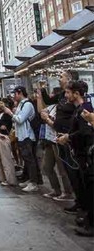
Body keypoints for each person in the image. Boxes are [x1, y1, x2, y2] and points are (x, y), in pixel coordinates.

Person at [56, 81, 94, 236]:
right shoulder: (79, 109)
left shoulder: (85, 109)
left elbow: (85, 132)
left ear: (76, 93)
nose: (66, 96)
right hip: (82, 153)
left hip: (85, 154)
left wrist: (68, 137)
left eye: (68, 92)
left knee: (89, 187)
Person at [40, 71, 79, 213]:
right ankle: (62, 192)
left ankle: (71, 195)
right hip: (55, 136)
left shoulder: (77, 104)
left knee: (66, 169)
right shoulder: (62, 96)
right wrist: (42, 89)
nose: (59, 79)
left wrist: (50, 120)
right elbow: (48, 100)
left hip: (65, 137)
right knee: (49, 166)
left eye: (61, 77)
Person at [37, 90, 74, 201]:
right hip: (49, 140)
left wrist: (47, 119)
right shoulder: (53, 107)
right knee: (47, 167)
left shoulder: (64, 110)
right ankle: (55, 189)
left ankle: (67, 192)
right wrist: (39, 97)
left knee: (62, 169)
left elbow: (57, 126)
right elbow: (40, 111)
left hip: (58, 140)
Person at [3, 86, 38, 192]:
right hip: (21, 135)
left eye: (15, 94)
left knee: (30, 159)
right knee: (26, 159)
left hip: (27, 135)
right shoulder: (21, 104)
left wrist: (10, 113)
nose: (14, 96)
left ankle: (34, 182)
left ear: (20, 93)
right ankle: (29, 179)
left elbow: (20, 119)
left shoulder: (27, 105)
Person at [0, 98, 17, 186]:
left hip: (4, 137)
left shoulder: (6, 115)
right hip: (0, 137)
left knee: (6, 159)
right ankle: (3, 178)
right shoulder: (3, 115)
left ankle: (10, 180)